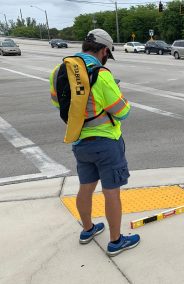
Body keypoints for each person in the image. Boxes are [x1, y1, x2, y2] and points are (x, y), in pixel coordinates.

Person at [49, 29, 140, 257]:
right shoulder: (101, 74)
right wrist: (118, 94)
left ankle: (87, 229)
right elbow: (122, 112)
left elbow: (56, 102)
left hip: (80, 142)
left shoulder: (59, 71)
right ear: (104, 50)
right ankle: (116, 241)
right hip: (106, 143)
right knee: (111, 192)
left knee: (85, 188)